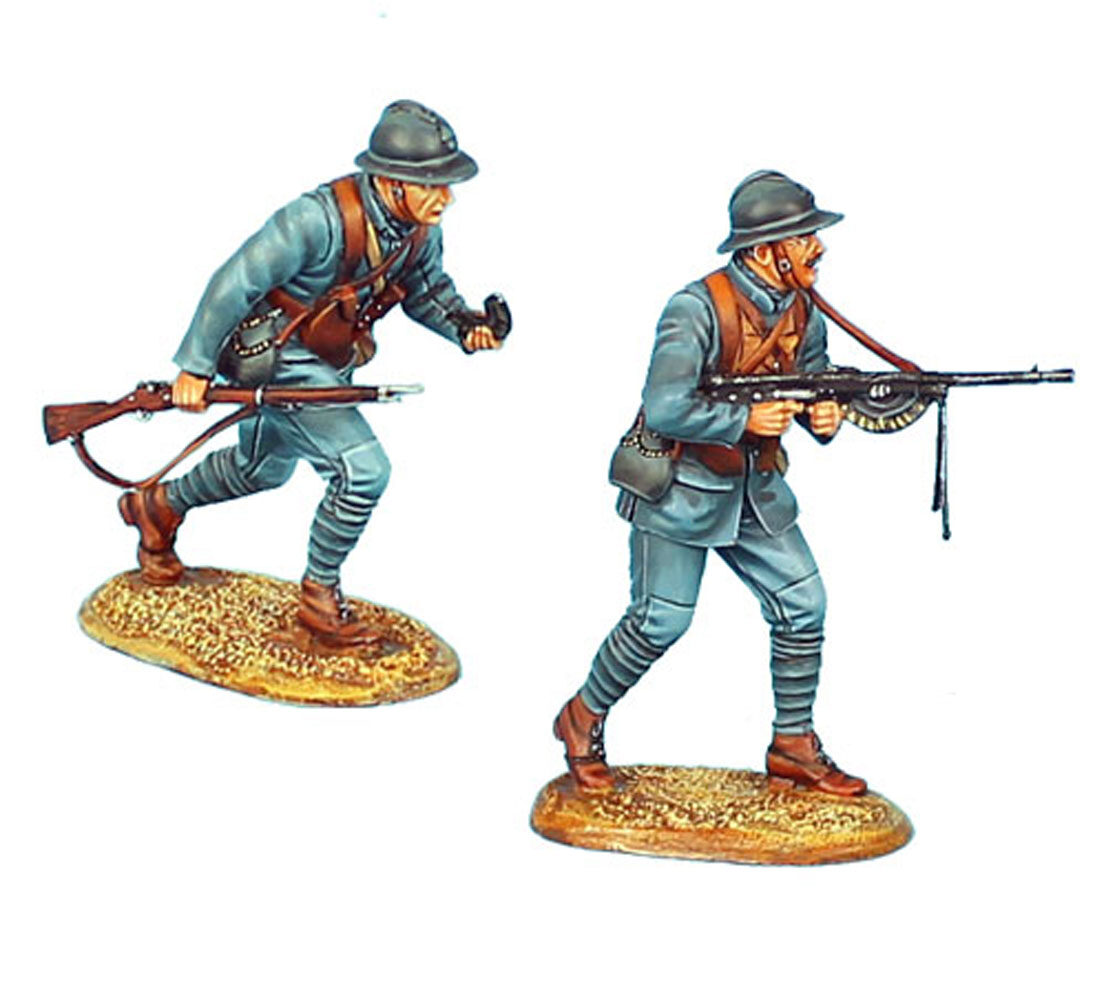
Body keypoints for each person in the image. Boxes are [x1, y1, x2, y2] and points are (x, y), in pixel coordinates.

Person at [118, 100, 504, 648]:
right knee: (363, 471)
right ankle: (320, 599)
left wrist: (466, 328)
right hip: (275, 358)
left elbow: (428, 293)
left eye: (446, 183)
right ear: (391, 182)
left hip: (327, 364)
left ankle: (156, 507)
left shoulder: (420, 230)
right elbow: (237, 280)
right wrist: (195, 367)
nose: (446, 196)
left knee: (259, 470)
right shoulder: (315, 219)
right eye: (432, 184)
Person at [553, 170, 867, 795]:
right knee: (659, 622)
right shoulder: (696, 309)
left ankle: (793, 743)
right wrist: (743, 420)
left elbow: (812, 382)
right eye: (803, 237)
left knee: (804, 604)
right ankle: (582, 717)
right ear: (766, 249)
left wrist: (824, 416)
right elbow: (665, 405)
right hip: (680, 492)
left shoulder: (804, 311)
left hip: (756, 492)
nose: (817, 247)